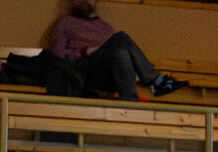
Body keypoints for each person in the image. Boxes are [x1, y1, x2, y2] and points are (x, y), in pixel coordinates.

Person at [51, 0, 189, 102]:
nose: (85, 1)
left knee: (121, 52)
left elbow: (116, 57)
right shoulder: (65, 22)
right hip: (82, 73)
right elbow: (57, 55)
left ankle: (129, 99)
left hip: (105, 77)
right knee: (121, 38)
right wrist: (85, 51)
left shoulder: (105, 27)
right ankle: (157, 81)